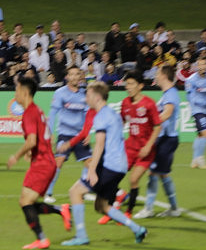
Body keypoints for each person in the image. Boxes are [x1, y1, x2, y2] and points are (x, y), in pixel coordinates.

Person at [59, 81, 147, 245]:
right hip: (120, 166)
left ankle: (81, 236)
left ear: (97, 97)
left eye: (88, 95)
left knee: (75, 192)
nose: (86, 98)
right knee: (102, 205)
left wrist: (92, 170)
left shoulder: (101, 116)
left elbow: (99, 144)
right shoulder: (112, 114)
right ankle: (138, 229)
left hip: (109, 165)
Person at [6, 77, 71, 250]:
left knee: (25, 202)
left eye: (17, 90)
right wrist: (29, 152)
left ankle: (42, 239)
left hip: (42, 164)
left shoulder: (29, 113)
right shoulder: (36, 110)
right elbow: (40, 136)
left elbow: (32, 140)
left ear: (25, 92)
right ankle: (60, 210)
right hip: (44, 161)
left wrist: (16, 156)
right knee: (27, 201)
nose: (15, 94)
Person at [134, 65, 182, 219]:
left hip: (167, 138)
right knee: (163, 174)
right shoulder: (167, 93)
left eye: (157, 73)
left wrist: (151, 124)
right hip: (165, 138)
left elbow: (167, 113)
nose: (155, 76)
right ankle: (174, 209)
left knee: (154, 173)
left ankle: (149, 209)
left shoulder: (171, 94)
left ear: (164, 75)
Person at [115, 70, 161, 221]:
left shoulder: (149, 103)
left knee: (133, 179)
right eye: (126, 84)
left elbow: (157, 126)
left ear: (140, 86)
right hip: (129, 147)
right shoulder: (125, 103)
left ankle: (128, 212)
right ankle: (115, 205)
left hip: (145, 150)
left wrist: (148, 146)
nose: (128, 87)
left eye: (131, 84)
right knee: (112, 176)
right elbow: (122, 121)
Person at [43, 66, 91, 204]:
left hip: (80, 135)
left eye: (77, 74)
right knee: (58, 162)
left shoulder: (85, 94)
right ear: (67, 77)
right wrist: (50, 133)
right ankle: (48, 192)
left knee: (90, 163)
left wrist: (87, 132)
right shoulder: (60, 93)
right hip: (64, 135)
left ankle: (84, 189)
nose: (75, 77)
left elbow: (88, 115)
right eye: (72, 74)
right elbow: (52, 114)